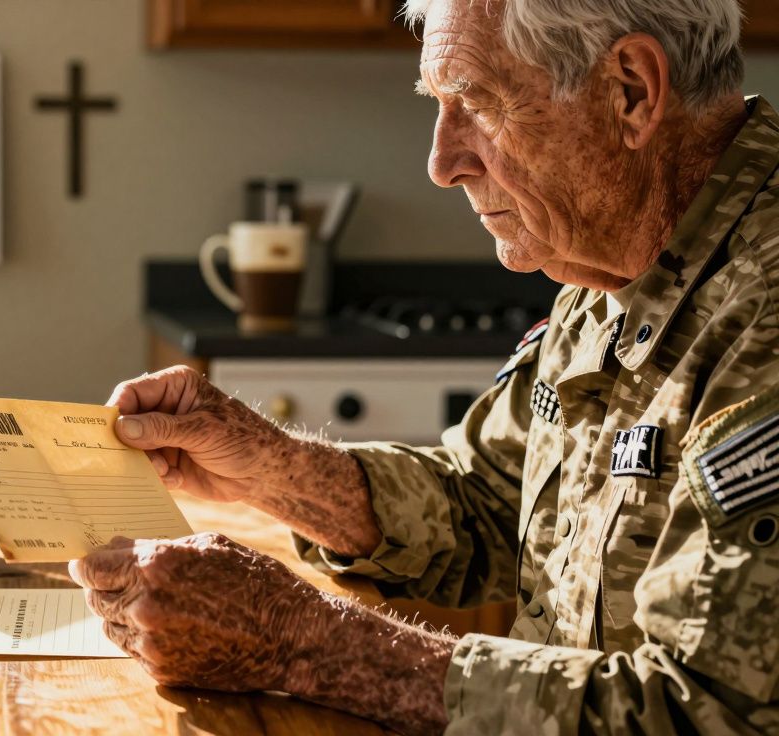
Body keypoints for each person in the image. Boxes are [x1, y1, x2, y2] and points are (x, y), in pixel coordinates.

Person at [70, 0, 779, 732]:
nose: (442, 163)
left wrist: (299, 640)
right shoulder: (610, 261)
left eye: (475, 102)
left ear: (631, 92)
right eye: (440, 107)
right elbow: (487, 504)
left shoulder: (766, 305)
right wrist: (271, 464)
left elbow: (703, 715)